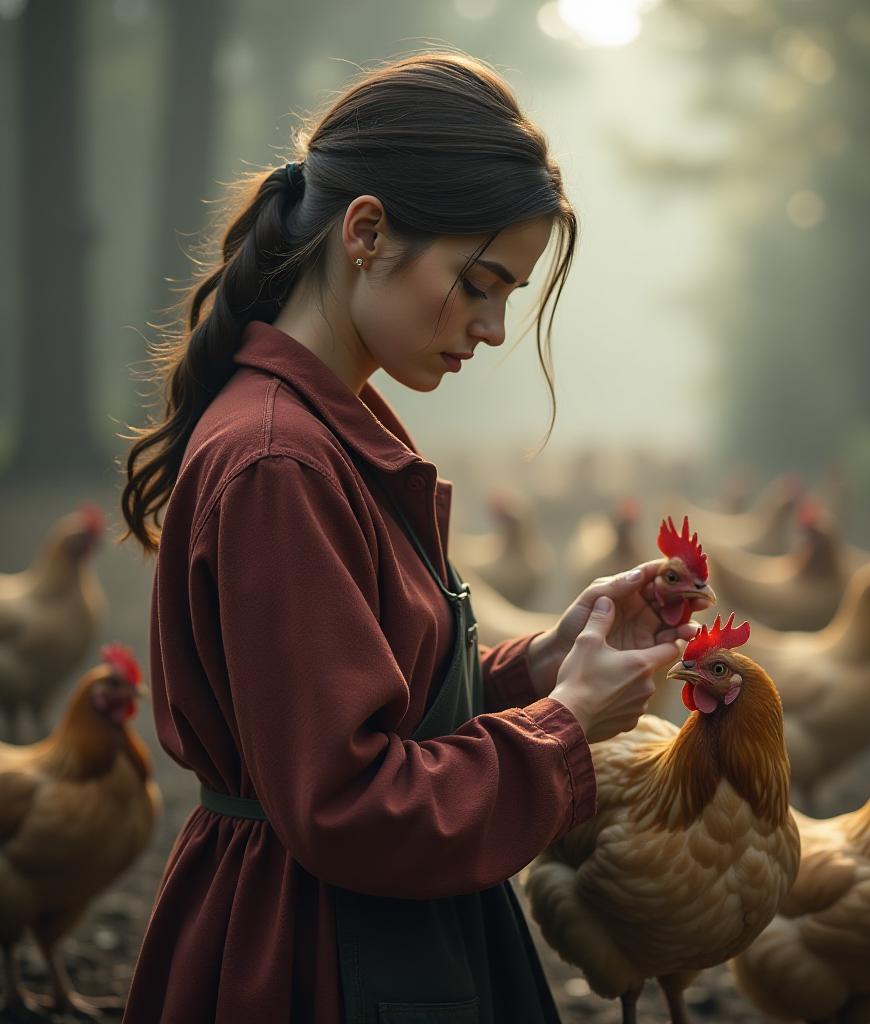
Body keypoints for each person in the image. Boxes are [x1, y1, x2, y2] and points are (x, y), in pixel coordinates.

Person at [118, 52, 696, 1023]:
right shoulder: (279, 464)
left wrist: (545, 664)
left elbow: (380, 703)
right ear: (368, 232)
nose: (496, 326)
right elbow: (349, 802)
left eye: (508, 293)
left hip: (371, 928)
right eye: (480, 283)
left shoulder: (333, 424)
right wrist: (560, 735)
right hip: (318, 957)